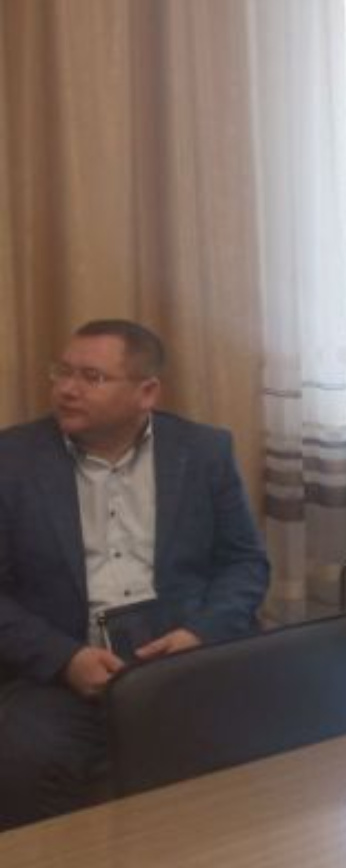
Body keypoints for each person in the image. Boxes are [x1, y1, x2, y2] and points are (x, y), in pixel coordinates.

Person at [0, 319, 270, 829]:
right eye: (62, 372)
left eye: (91, 377)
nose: (67, 389)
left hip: (186, 659)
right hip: (61, 670)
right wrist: (65, 659)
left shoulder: (203, 451)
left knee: (278, 729)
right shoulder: (12, 460)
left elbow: (244, 561)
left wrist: (201, 633)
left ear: (146, 392)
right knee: (21, 761)